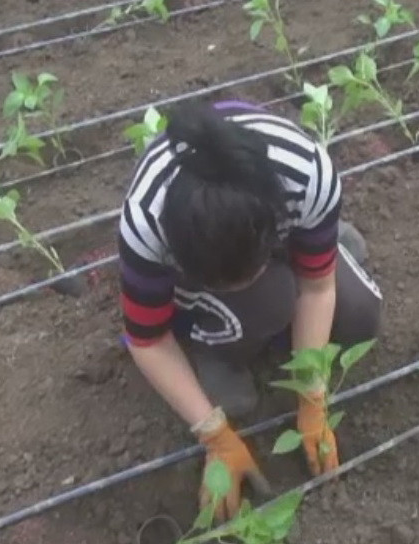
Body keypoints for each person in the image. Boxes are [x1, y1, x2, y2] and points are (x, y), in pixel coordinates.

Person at [118, 100, 382, 519]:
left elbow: (316, 288)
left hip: (282, 218)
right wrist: (215, 435)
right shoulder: (146, 221)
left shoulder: (307, 172)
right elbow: (146, 338)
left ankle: (321, 239)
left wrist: (312, 396)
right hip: (207, 265)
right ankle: (211, 338)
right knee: (267, 301)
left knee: (358, 316)